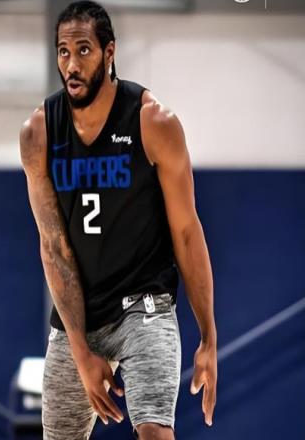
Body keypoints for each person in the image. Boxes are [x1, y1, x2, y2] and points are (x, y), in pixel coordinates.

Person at [19, 1, 217, 439]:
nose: (72, 65)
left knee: (154, 431)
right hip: (80, 313)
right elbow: (53, 247)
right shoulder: (39, 132)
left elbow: (187, 232)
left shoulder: (153, 122)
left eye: (83, 50)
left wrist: (208, 337)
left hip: (144, 306)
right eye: (63, 52)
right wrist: (80, 352)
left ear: (109, 53)